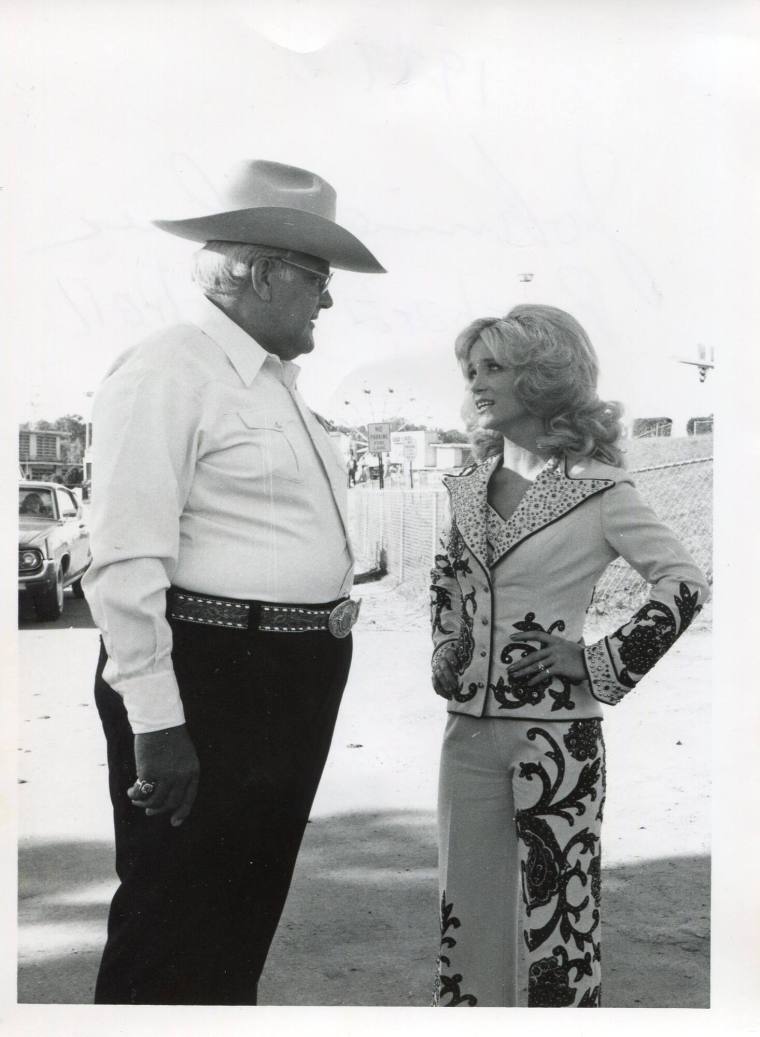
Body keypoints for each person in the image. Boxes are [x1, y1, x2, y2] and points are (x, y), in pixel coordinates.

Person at [83, 159, 385, 1005]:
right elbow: (125, 556)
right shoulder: (169, 368)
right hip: (212, 678)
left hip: (287, 679)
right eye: (317, 278)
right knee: (171, 920)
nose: (328, 299)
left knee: (237, 920)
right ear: (259, 273)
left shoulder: (273, 383)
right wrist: (158, 720)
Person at [429, 305, 708, 1008]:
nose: (476, 382)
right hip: (466, 733)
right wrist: (449, 657)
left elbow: (684, 583)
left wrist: (592, 660)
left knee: (563, 924)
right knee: (464, 915)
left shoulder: (600, 487)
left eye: (494, 366)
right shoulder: (464, 487)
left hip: (558, 740)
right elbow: (445, 582)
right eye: (472, 369)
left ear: (542, 377)